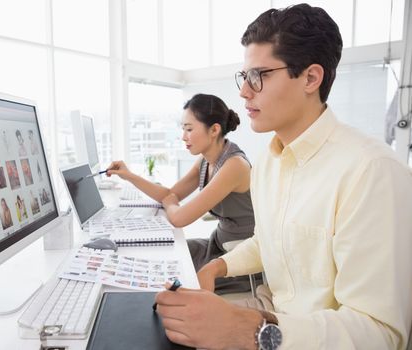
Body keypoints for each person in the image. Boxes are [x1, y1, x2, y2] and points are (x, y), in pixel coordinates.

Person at [154, 4, 412, 350]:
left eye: (259, 75)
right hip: (272, 313)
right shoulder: (269, 163)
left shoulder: (372, 172)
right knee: (157, 322)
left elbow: (381, 333)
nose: (244, 92)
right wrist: (217, 268)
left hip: (291, 335)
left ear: (310, 78)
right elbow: (268, 242)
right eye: (244, 77)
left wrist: (253, 331)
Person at [107, 93, 255, 293]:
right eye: (183, 129)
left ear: (214, 130)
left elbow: (179, 218)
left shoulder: (235, 165)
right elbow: (170, 193)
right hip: (218, 245)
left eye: (189, 129)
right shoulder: (205, 161)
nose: (184, 136)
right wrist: (129, 176)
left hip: (238, 259)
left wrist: (170, 202)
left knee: (170, 282)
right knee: (164, 261)